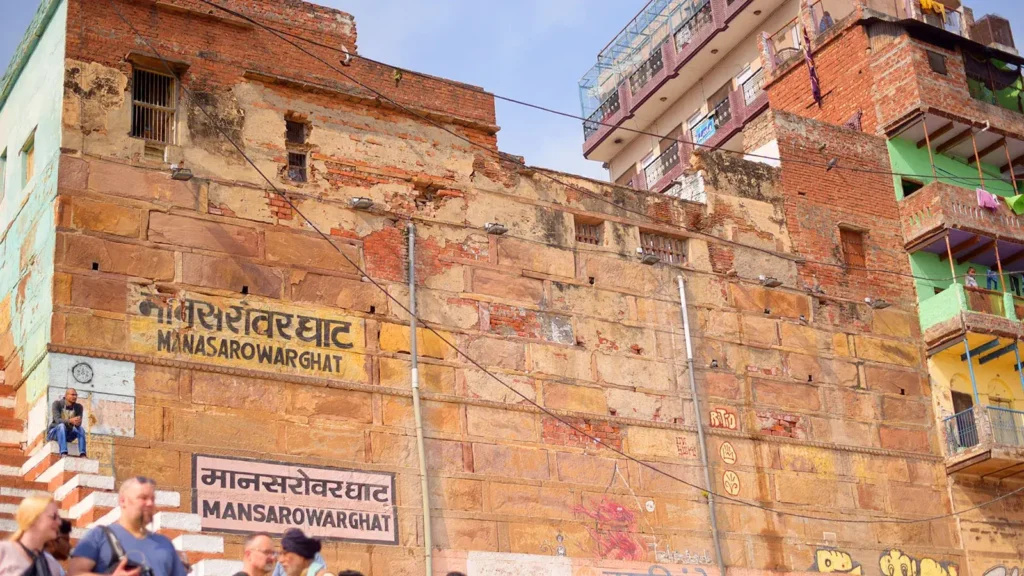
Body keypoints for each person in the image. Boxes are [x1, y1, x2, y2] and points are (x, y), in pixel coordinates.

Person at [69, 477, 187, 576]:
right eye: (143, 498)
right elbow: (74, 573)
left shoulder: (165, 544)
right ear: (123, 501)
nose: (150, 503)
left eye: (152, 499)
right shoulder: (99, 536)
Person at [0, 494, 65, 576]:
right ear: (33, 518)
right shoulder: (3, 551)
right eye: (54, 517)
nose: (59, 523)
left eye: (59, 518)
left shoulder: (53, 566)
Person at [47, 388, 86, 458]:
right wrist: (70, 421)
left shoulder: (79, 407)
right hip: (54, 433)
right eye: (72, 395)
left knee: (80, 429)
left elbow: (79, 424)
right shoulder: (57, 404)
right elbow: (57, 420)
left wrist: (77, 422)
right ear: (66, 396)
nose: (75, 397)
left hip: (67, 434)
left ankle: (83, 453)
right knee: (61, 426)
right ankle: (63, 452)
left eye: (76, 395)